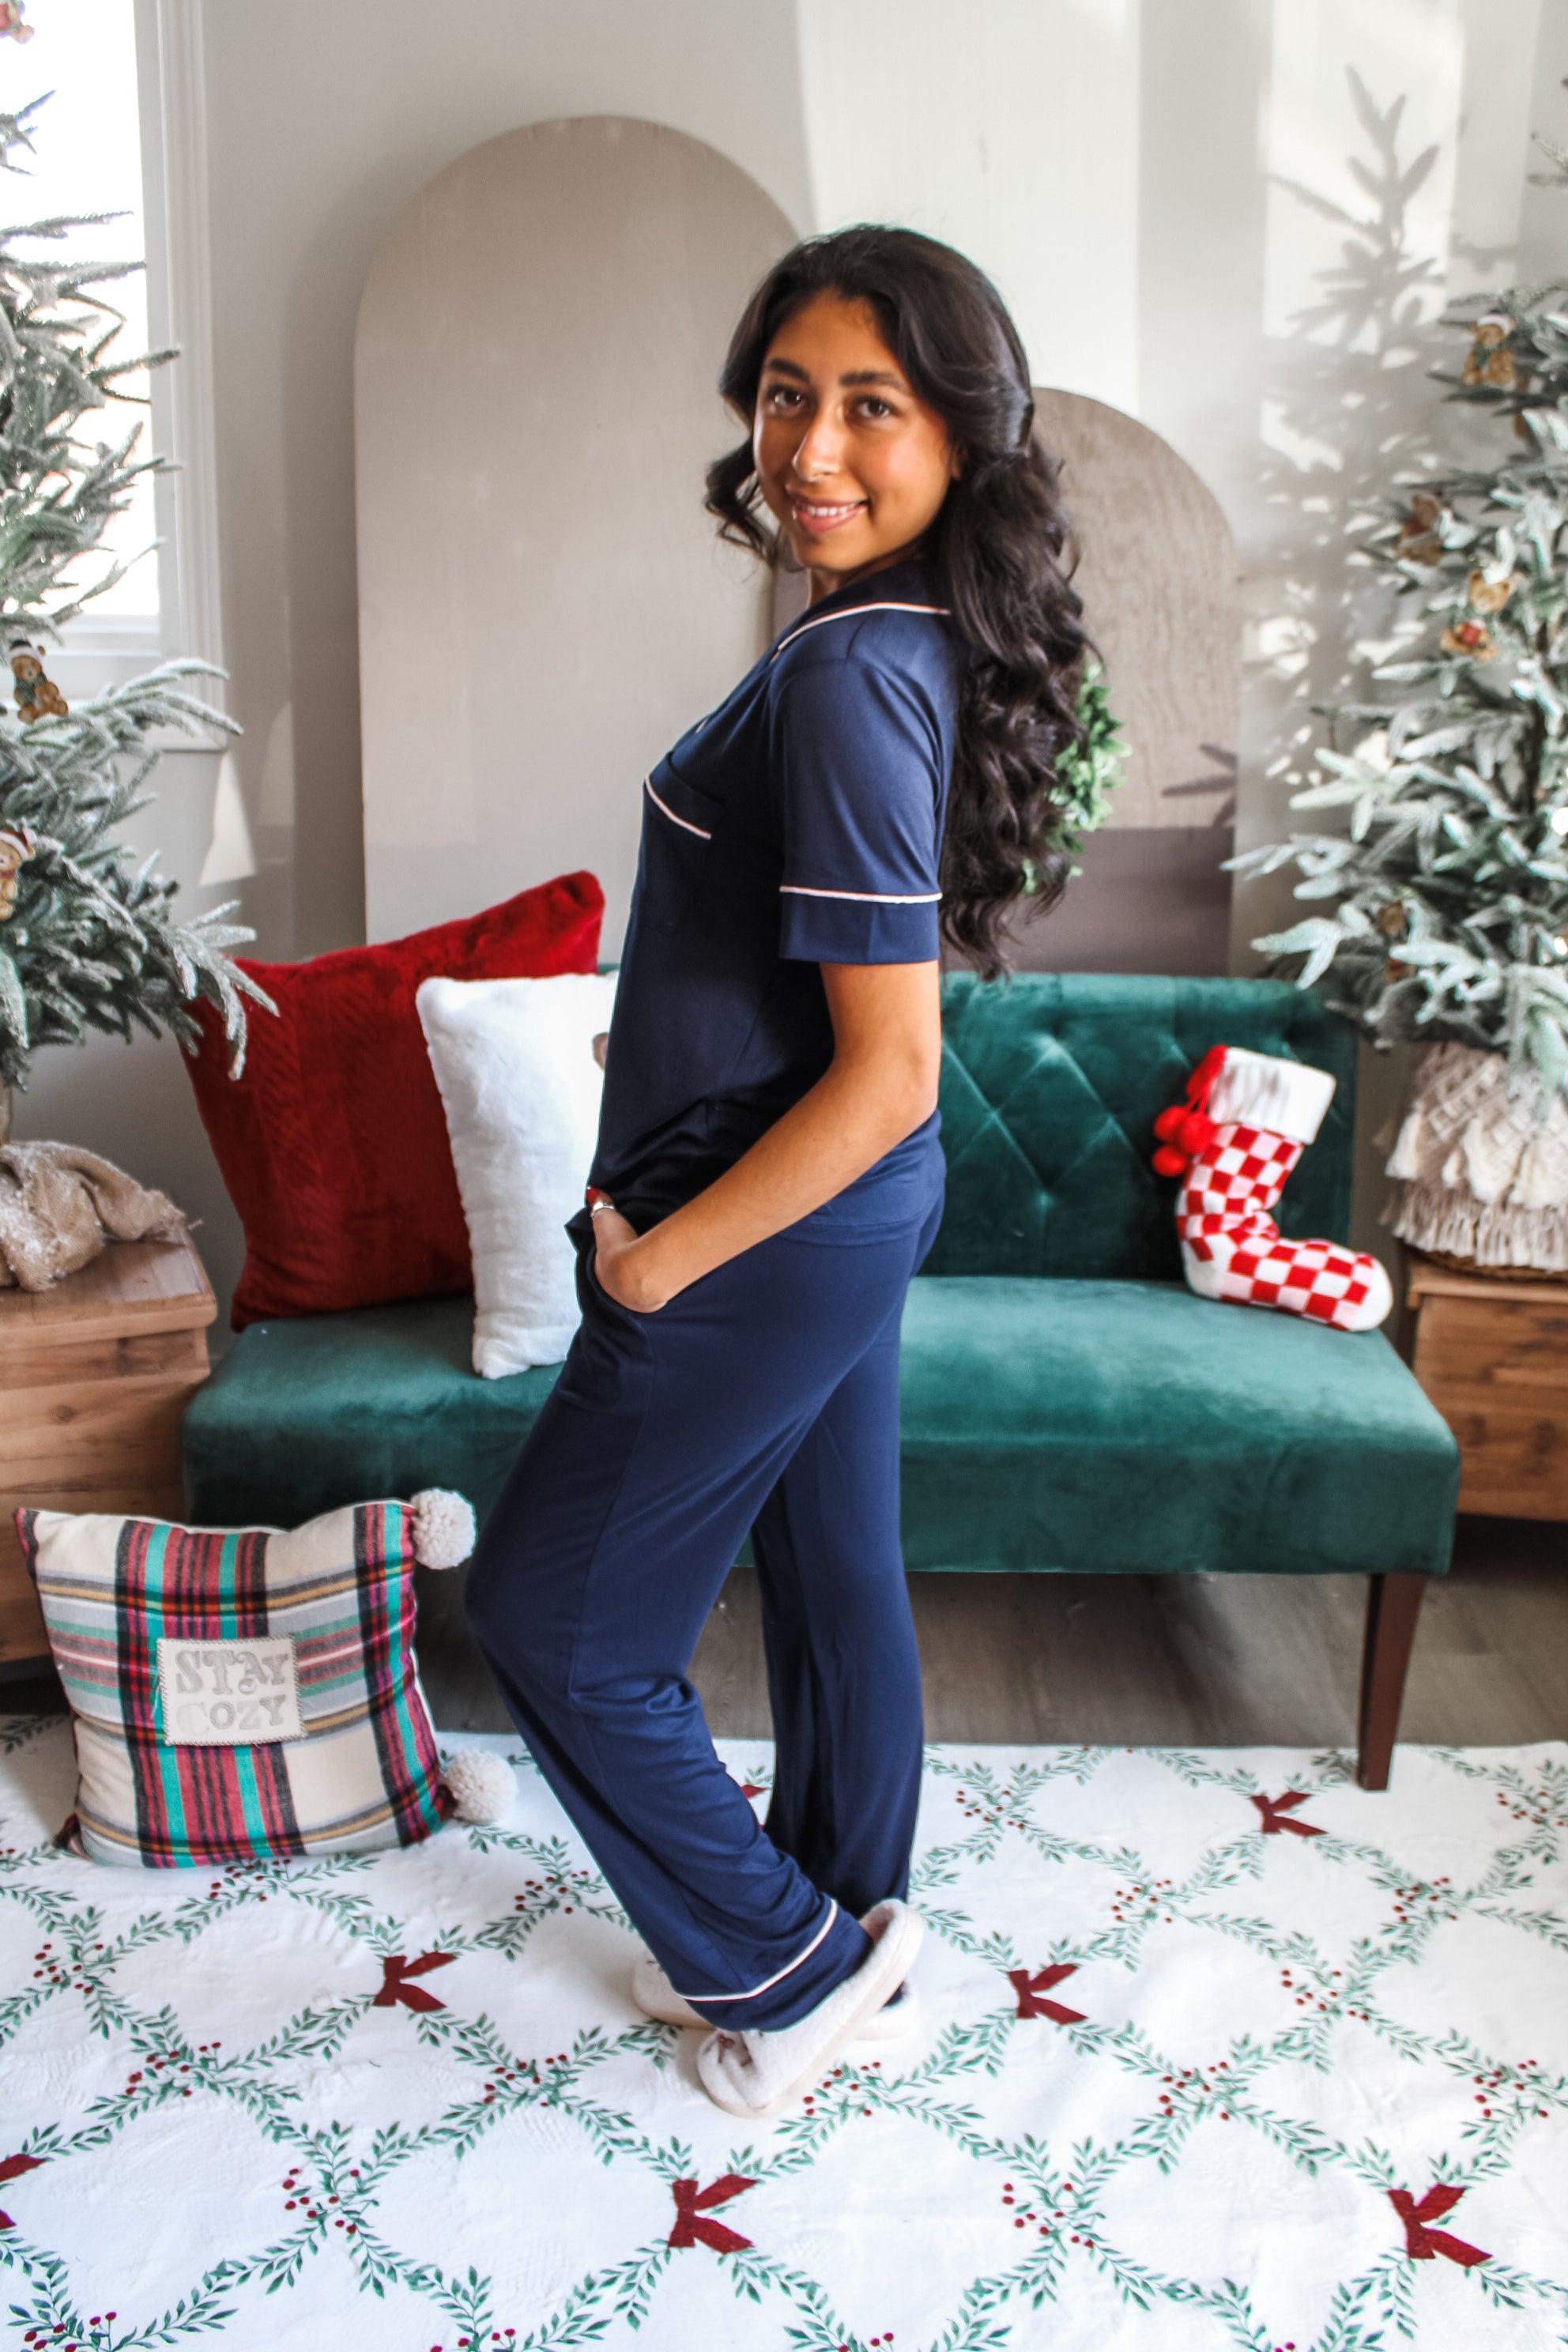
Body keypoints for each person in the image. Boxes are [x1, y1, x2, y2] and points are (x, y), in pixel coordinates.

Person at [465, 224, 1094, 2121]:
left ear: (961, 436)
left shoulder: (848, 672)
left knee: (552, 1627)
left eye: (869, 407)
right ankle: (846, 1924)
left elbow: (888, 1074)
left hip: (757, 1230)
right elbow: (813, 1001)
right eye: (784, 397)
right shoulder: (883, 641)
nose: (810, 449)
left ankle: (789, 1972)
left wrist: (652, 1266)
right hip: (817, 1218)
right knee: (829, 1582)